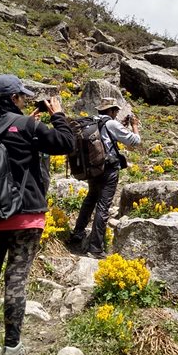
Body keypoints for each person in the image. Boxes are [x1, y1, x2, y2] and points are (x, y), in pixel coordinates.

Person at [0, 75, 74, 355]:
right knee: (16, 279)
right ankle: (11, 349)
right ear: (13, 99)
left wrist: (27, 125)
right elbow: (66, 143)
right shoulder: (27, 126)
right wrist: (57, 114)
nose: (24, 100)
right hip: (24, 216)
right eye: (22, 97)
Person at [68, 97, 141, 258]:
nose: (116, 113)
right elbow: (135, 141)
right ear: (111, 110)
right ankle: (95, 248)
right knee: (103, 206)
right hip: (108, 170)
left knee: (90, 200)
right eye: (115, 110)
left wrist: (120, 125)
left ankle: (77, 234)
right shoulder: (111, 124)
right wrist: (134, 126)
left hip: (93, 168)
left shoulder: (92, 121)